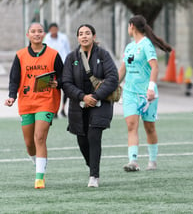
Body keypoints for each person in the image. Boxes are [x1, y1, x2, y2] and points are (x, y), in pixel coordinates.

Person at [4, 22, 63, 189]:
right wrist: (11, 97)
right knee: (30, 144)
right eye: (33, 31)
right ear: (27, 35)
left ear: (44, 34)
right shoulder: (21, 55)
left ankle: (39, 178)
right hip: (27, 102)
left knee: (39, 137)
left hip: (46, 101)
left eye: (40, 31)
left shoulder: (53, 55)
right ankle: (37, 161)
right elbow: (14, 79)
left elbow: (63, 77)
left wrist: (56, 83)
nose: (37, 34)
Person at [62, 24, 118, 188]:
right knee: (82, 141)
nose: (84, 36)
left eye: (87, 33)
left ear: (94, 36)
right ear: (77, 37)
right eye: (81, 34)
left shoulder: (103, 55)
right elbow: (66, 82)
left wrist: (95, 96)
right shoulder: (71, 57)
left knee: (94, 136)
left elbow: (112, 78)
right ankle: (91, 164)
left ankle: (94, 175)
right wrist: (82, 97)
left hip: (100, 103)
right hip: (78, 104)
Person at [119, 14, 172, 172]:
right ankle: (133, 161)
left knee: (149, 127)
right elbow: (122, 69)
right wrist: (112, 86)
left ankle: (153, 160)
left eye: (128, 26)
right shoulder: (129, 47)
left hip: (147, 94)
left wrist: (151, 87)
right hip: (129, 92)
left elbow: (155, 67)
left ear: (132, 26)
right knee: (131, 125)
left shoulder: (146, 45)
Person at [44, 23, 71, 117]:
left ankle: (63, 108)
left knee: (66, 86)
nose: (54, 31)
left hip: (63, 64)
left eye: (55, 29)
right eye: (52, 29)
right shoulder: (46, 38)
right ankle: (54, 110)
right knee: (53, 88)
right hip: (51, 66)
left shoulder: (63, 38)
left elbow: (67, 50)